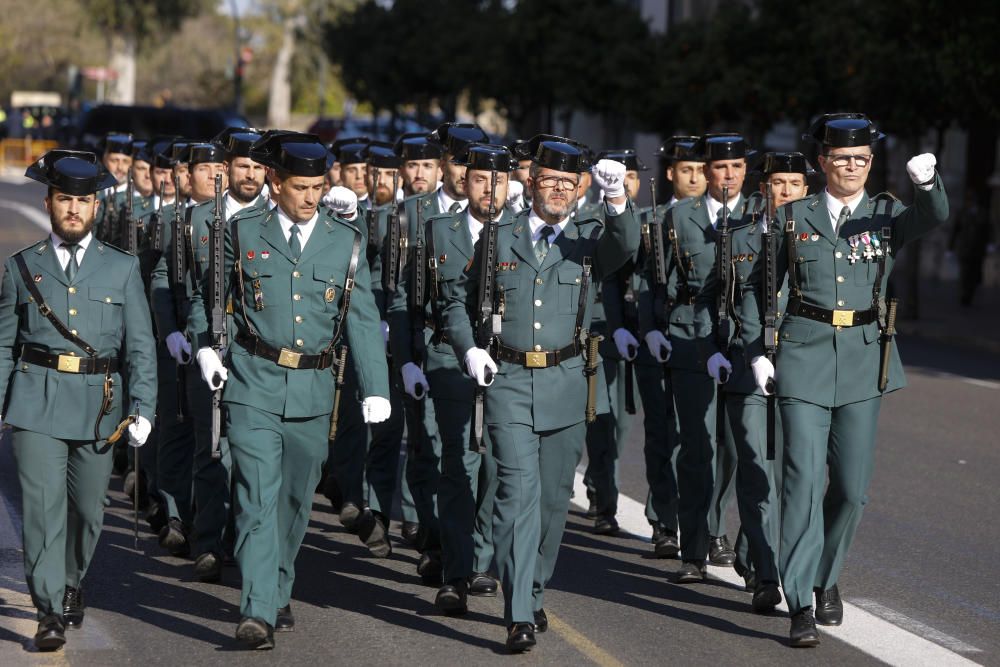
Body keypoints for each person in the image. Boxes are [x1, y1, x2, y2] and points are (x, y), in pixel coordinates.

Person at [743, 113, 947, 646]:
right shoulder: (794, 217)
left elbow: (933, 216)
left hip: (862, 358)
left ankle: (825, 576)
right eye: (841, 159)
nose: (851, 167)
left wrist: (927, 184)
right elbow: (761, 288)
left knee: (853, 491)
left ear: (870, 164)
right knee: (803, 482)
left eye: (861, 160)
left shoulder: (887, 213)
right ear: (822, 163)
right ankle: (801, 602)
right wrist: (759, 350)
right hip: (803, 357)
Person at [190, 131, 391, 648]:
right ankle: (256, 609)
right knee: (256, 496)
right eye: (300, 187)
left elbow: (362, 318)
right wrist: (207, 346)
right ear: (274, 183)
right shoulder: (240, 230)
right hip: (252, 381)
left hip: (313, 388)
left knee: (295, 501)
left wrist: (375, 386)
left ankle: (277, 586)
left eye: (318, 187)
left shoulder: (344, 240)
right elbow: (209, 295)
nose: (311, 197)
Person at [442, 134, 639, 652]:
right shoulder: (498, 235)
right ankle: (519, 612)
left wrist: (617, 200)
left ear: (579, 190)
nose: (557, 191)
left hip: (567, 382)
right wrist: (469, 350)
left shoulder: (589, 238)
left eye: (568, 184)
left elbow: (628, 246)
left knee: (553, 501)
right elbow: (456, 304)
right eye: (549, 180)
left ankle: (532, 585)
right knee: (516, 494)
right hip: (507, 380)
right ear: (531, 182)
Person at [0, 150, 156, 650]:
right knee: (43, 510)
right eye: (65, 199)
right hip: (35, 402)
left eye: (83, 201)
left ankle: (71, 581)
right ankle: (48, 609)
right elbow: (4, 343)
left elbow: (140, 346)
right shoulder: (21, 267)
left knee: (88, 512)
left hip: (100, 407)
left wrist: (144, 407)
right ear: (48, 202)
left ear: (96, 207)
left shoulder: (122, 268)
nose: (73, 209)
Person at [389, 143, 517, 615]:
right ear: (466, 183)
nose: (489, 188)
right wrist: (406, 358)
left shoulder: (522, 233)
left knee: (495, 466)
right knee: (459, 463)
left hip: (509, 362)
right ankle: (458, 571)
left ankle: (481, 553)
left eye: (498, 180)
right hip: (447, 358)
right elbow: (409, 299)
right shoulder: (437, 232)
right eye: (481, 179)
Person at [644, 134, 752, 583]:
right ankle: (694, 546)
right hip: (690, 337)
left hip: (743, 342)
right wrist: (652, 326)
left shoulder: (761, 215)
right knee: (696, 447)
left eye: (737, 168)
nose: (728, 176)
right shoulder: (676, 217)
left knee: (733, 447)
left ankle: (716, 528)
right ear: (706, 172)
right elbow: (658, 278)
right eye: (720, 168)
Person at [635, 136, 704, 557]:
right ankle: (663, 518)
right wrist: (647, 328)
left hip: (699, 338)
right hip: (659, 335)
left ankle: (705, 523)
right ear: (671, 174)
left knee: (701, 438)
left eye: (700, 170)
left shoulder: (722, 220)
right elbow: (640, 282)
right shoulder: (651, 220)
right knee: (661, 432)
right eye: (686, 170)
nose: (694, 177)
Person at [583, 148, 647, 536]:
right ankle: (603, 498)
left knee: (625, 426)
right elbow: (604, 282)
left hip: (644, 336)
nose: (627, 184)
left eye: (633, 178)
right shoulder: (595, 220)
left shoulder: (652, 219)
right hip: (604, 333)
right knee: (602, 422)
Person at [948, 187, 995, 306]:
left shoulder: (983, 213)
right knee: (965, 273)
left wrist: (990, 244)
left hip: (978, 249)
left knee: (974, 274)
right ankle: (964, 295)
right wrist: (950, 248)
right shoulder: (962, 213)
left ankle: (969, 294)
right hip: (964, 248)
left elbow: (989, 230)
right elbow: (955, 230)